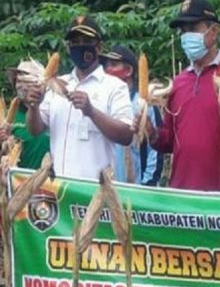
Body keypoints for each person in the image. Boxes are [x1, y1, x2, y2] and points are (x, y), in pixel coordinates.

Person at [144, 0, 220, 192]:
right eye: (183, 31)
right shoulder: (178, 82)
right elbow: (169, 140)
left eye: (192, 28)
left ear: (214, 32)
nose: (186, 36)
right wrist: (152, 133)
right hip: (182, 191)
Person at [24, 15, 133, 179]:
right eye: (75, 42)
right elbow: (35, 130)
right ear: (68, 48)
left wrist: (91, 111)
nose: (80, 47)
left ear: (99, 48)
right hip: (59, 187)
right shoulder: (57, 84)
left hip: (96, 190)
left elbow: (126, 135)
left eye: (86, 42)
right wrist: (33, 107)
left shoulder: (115, 87)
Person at [101, 45, 164, 185]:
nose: (107, 70)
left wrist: (148, 184)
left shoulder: (145, 104)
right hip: (108, 186)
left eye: (113, 65)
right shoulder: (102, 103)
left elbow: (156, 150)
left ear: (128, 70)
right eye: (105, 66)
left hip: (137, 188)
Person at [2, 60, 50, 169]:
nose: (21, 86)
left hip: (51, 182)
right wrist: (4, 142)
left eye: (26, 81)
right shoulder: (8, 115)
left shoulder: (50, 109)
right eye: (18, 81)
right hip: (18, 180)